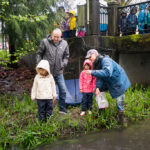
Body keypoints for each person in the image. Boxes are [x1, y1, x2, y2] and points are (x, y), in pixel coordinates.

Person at [85, 49, 131, 124]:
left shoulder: (106, 60)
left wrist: (91, 72)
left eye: (90, 56)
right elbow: (100, 77)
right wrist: (98, 88)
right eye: (88, 58)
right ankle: (102, 111)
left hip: (118, 81)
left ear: (95, 54)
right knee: (98, 92)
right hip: (109, 80)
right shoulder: (97, 63)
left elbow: (107, 73)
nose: (89, 59)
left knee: (119, 100)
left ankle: (121, 118)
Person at [36, 28, 70, 114]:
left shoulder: (64, 43)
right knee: (47, 92)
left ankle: (62, 109)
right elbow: (39, 54)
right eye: (55, 36)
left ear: (61, 36)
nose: (56, 39)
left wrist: (63, 64)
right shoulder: (45, 42)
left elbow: (66, 56)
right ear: (52, 35)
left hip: (59, 72)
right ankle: (46, 111)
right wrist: (40, 66)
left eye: (58, 37)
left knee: (63, 90)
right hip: (47, 73)